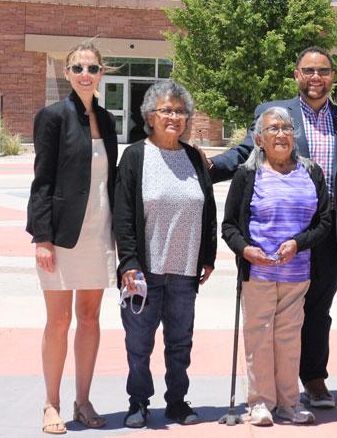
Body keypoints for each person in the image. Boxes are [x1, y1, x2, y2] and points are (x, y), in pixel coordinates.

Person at [209, 46, 337, 407]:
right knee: (272, 316)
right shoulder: (275, 114)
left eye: (323, 71)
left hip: (327, 234)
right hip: (279, 236)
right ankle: (268, 392)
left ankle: (313, 380)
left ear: (332, 76)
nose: (316, 77)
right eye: (308, 70)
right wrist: (210, 168)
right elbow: (245, 152)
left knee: (317, 311)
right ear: (297, 75)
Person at [113, 80, 217, 428]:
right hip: (144, 270)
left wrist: (208, 256)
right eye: (166, 110)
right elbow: (123, 214)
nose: (174, 116)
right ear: (150, 116)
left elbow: (208, 209)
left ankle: (176, 401)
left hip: (185, 270)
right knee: (139, 344)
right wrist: (128, 262)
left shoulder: (193, 157)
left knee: (180, 343)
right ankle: (139, 401)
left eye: (180, 110)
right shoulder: (135, 156)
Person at [26, 42, 118, 434]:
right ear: (67, 73)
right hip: (62, 236)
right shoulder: (52, 117)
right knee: (59, 321)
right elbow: (42, 180)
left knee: (91, 318)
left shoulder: (108, 119)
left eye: (92, 68)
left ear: (101, 74)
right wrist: (42, 237)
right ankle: (52, 403)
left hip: (99, 232)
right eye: (78, 67)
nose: (85, 74)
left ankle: (83, 401)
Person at [222, 107, 332, 425]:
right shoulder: (247, 174)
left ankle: (289, 404)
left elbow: (324, 221)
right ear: (259, 138)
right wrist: (245, 250)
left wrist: (298, 242)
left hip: (297, 274)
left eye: (286, 128)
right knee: (258, 336)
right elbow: (229, 225)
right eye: (273, 129)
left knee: (288, 338)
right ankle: (259, 403)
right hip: (258, 272)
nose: (281, 134)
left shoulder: (311, 172)